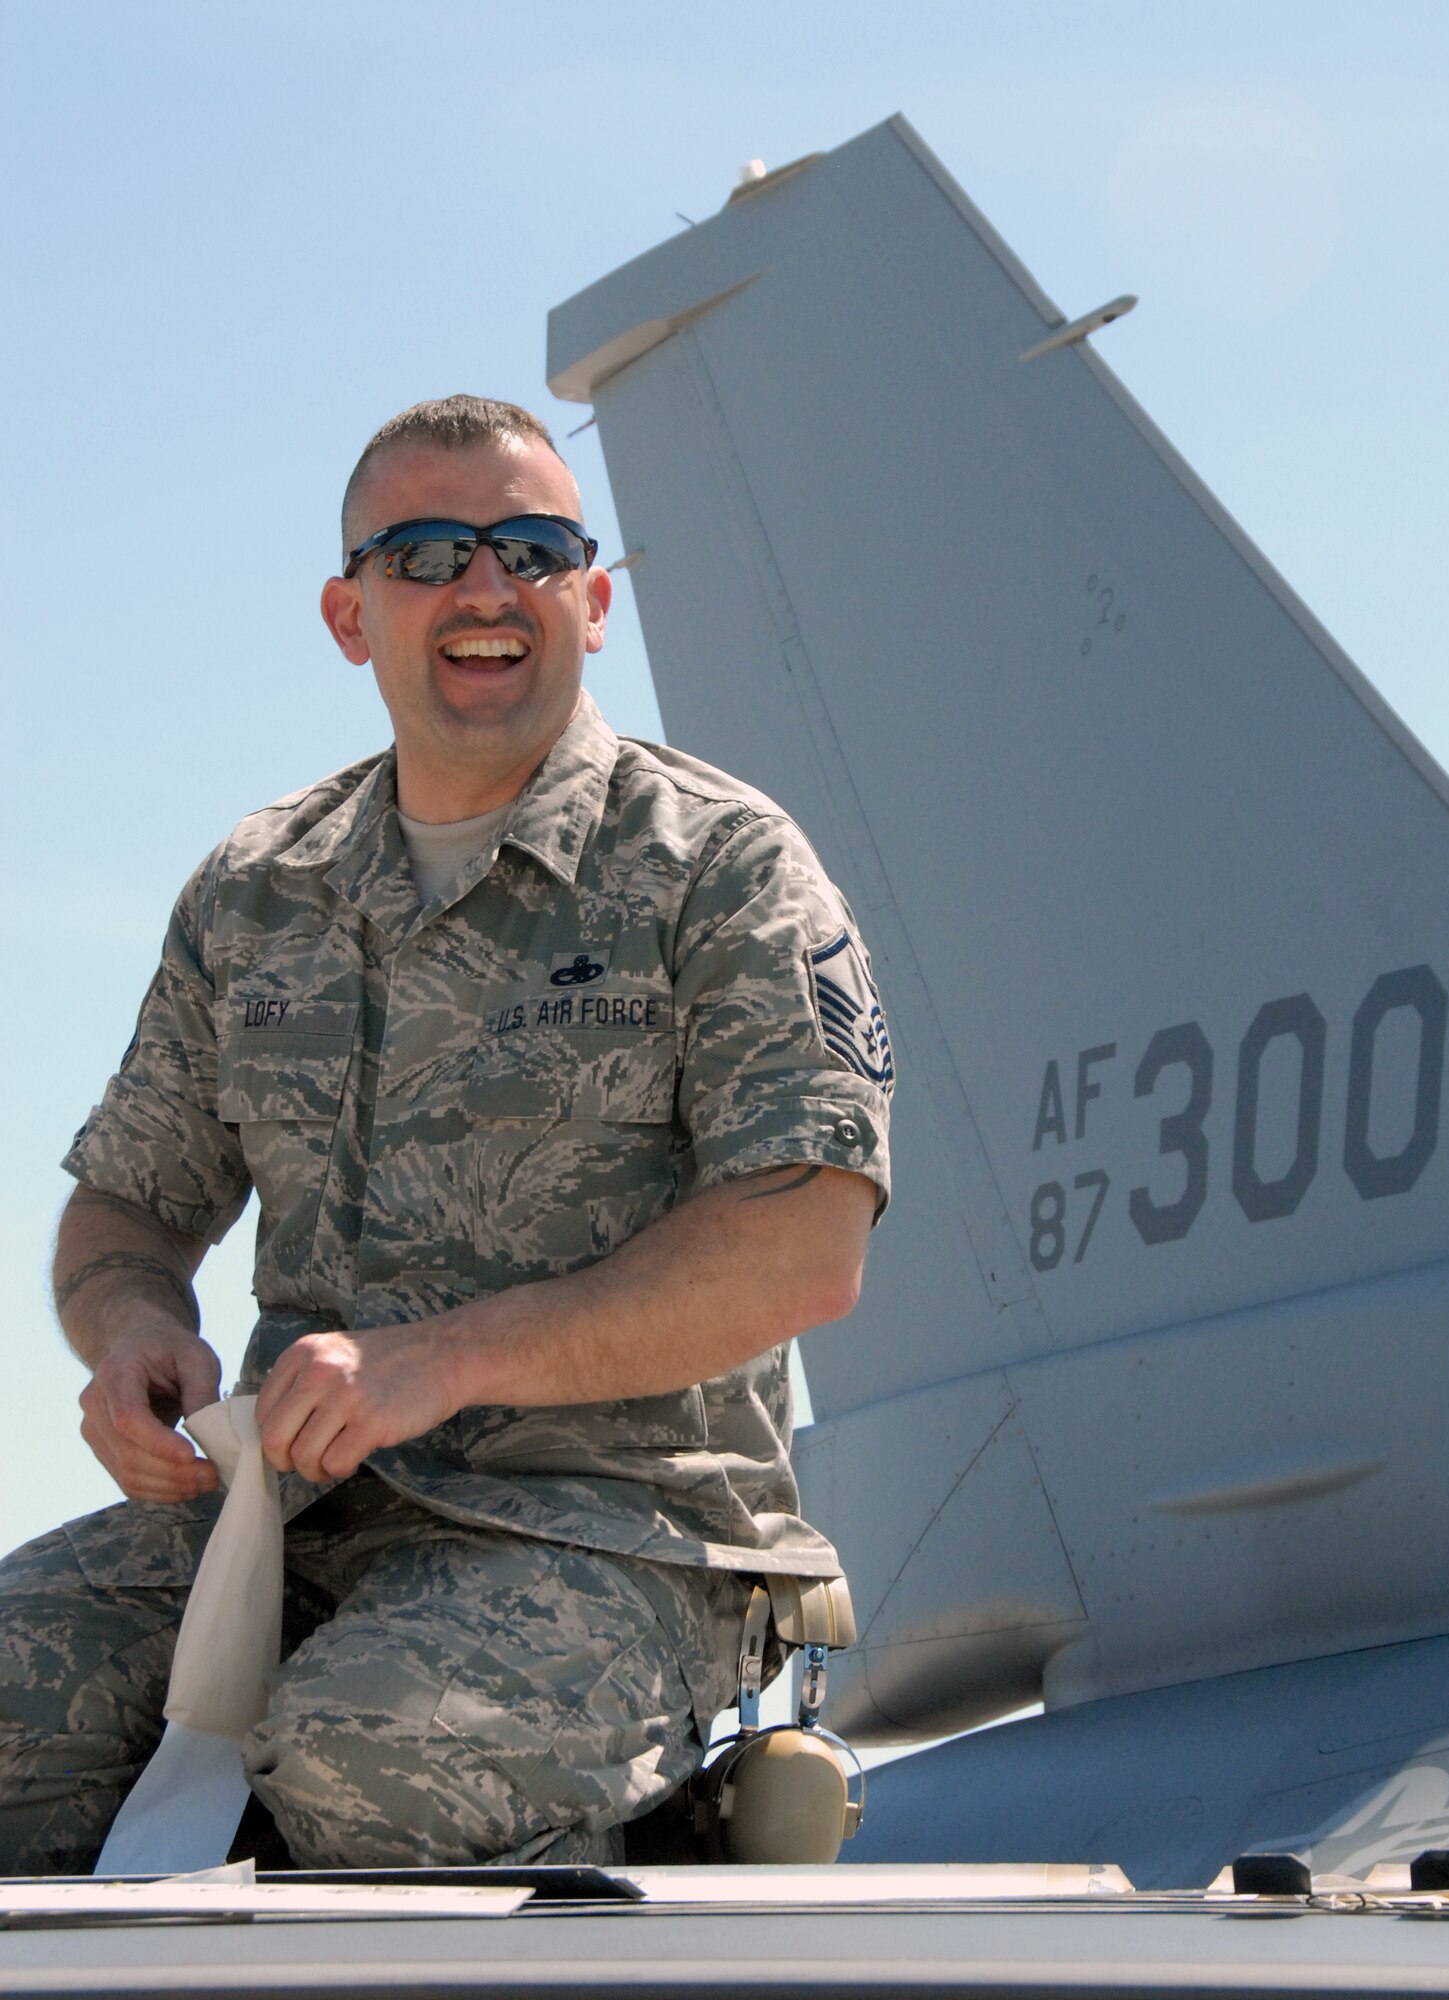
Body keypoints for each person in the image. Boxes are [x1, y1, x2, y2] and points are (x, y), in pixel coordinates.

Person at [0, 395, 892, 1872]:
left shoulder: (719, 867)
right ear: (353, 617)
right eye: (424, 553)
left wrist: (441, 1361)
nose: (483, 587)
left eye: (530, 548)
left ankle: (672, 1817)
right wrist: (130, 1333)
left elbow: (802, 1250)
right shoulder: (258, 891)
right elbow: (126, 1213)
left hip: (616, 1532)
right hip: (283, 1524)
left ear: (591, 604)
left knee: (371, 1763)